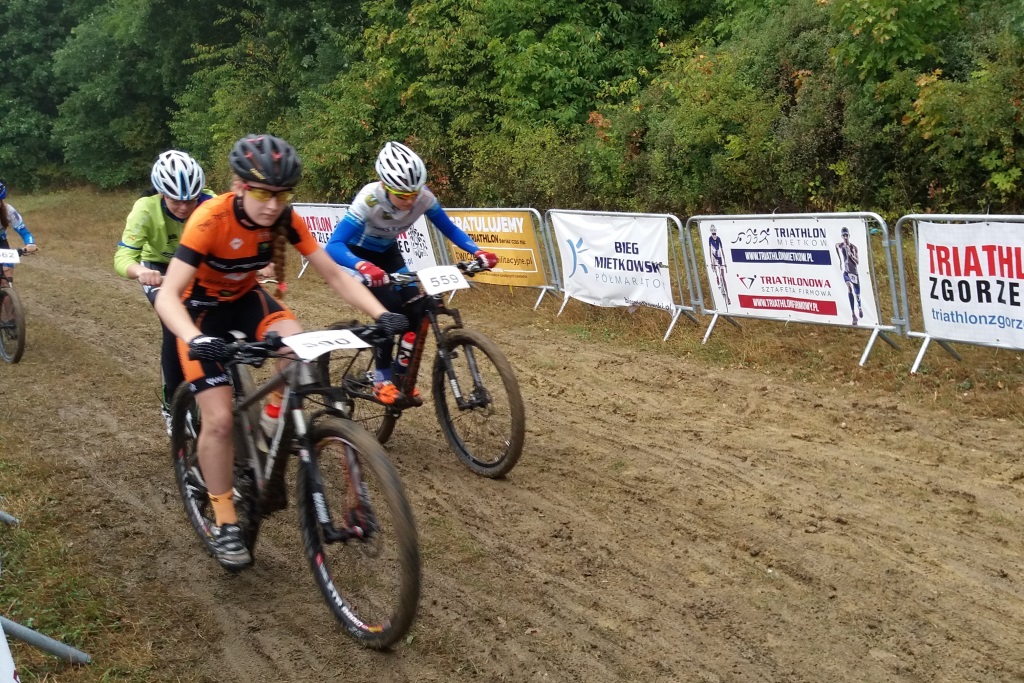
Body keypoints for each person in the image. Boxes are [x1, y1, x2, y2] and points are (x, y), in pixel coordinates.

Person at [154, 134, 406, 568]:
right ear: (238, 186)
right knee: (218, 420)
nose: (272, 205)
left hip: (247, 301)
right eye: (261, 194)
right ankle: (225, 519)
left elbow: (334, 274)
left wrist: (381, 314)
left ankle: (271, 430)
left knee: (297, 348)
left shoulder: (284, 218)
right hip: (200, 314)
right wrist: (194, 339)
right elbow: (167, 295)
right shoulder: (209, 220)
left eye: (281, 195)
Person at [325, 141, 498, 406]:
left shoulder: (424, 197)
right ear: (385, 186)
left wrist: (478, 252)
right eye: (401, 195)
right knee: (391, 315)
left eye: (413, 194)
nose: (409, 201)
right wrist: (362, 266)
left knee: (417, 311)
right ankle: (381, 379)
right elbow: (333, 245)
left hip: (388, 254)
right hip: (356, 257)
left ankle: (400, 376)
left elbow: (450, 229)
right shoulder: (369, 199)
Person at [114, 151, 214, 434]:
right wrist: (139, 271)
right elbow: (123, 257)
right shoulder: (145, 209)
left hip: (196, 265)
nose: (184, 207)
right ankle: (172, 404)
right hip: (158, 268)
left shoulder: (211, 202)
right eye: (175, 200)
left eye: (191, 200)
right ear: (161, 193)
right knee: (174, 327)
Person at [0, 181, 39, 285]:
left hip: (1, 243)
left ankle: (8, 291)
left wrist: (30, 244)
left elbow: (24, 232)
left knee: (6, 278)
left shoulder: (9, 211)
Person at [835, 226, 863, 325]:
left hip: (854, 273)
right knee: (849, 288)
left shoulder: (853, 247)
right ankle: (853, 314)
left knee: (857, 293)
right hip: (846, 272)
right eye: (843, 235)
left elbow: (857, 261)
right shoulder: (841, 245)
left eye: (846, 235)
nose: (845, 237)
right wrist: (840, 261)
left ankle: (859, 307)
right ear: (842, 236)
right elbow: (836, 246)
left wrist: (851, 254)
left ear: (849, 235)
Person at [707, 225, 730, 305]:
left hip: (720, 257)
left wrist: (725, 262)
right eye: (712, 231)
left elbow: (722, 250)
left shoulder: (718, 238)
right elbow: (710, 250)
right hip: (714, 257)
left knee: (722, 276)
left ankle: (727, 296)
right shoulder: (710, 239)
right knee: (717, 275)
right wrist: (711, 261)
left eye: (714, 231)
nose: (713, 233)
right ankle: (719, 286)